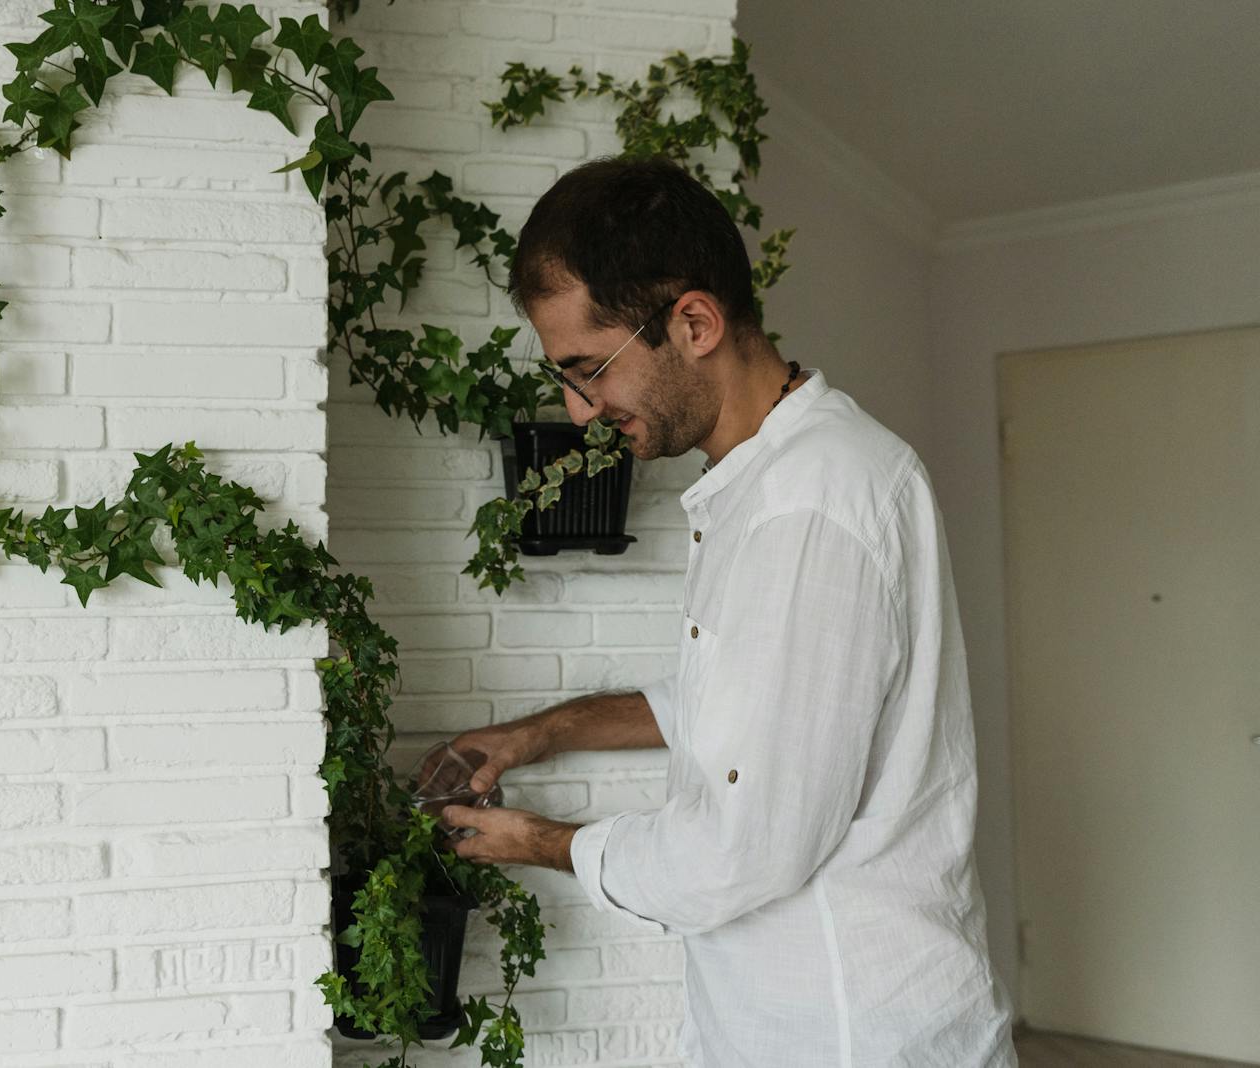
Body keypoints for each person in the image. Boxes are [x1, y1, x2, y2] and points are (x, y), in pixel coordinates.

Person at [436, 156, 1017, 1066]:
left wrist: (536, 841)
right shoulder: (768, 481)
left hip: (849, 1031)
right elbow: (729, 701)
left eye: (589, 370)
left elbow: (742, 851)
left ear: (694, 322)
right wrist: (534, 734)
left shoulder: (812, 503)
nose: (579, 410)